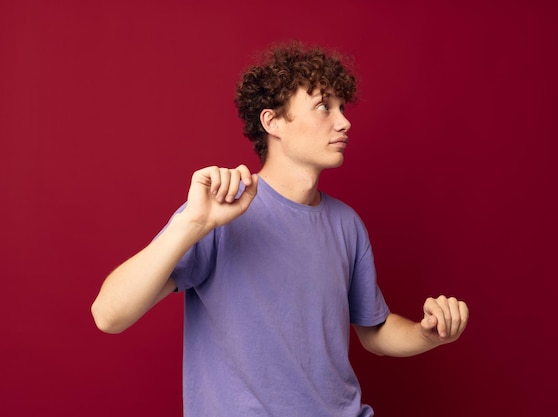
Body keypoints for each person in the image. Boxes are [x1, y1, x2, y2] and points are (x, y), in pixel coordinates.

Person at [91, 41, 469, 417]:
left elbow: (375, 332)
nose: (344, 121)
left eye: (342, 107)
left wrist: (426, 333)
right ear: (273, 122)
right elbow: (109, 315)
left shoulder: (347, 225)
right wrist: (191, 223)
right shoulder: (220, 212)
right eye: (324, 106)